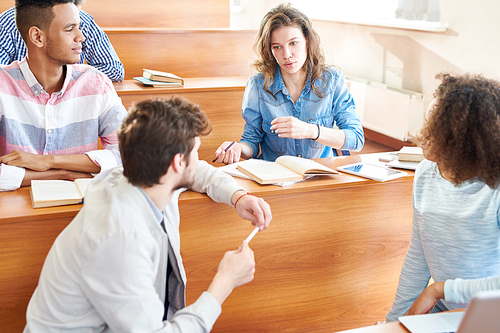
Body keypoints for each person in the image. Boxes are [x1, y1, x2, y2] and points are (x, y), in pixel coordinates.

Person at [23, 96, 273, 332]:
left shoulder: (146, 177)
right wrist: (225, 281)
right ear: (177, 163)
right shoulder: (119, 239)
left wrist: (239, 196)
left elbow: (199, 172)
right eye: (196, 151)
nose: (199, 158)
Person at [386, 73, 500, 322]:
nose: (422, 132)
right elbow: (418, 257)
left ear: (465, 138)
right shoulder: (426, 172)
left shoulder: (495, 189)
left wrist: (440, 289)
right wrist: (393, 322)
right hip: (445, 310)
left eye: (434, 124)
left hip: (490, 316)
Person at [0, 0, 127, 192]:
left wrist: (48, 161)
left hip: (82, 207)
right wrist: (61, 173)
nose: (81, 37)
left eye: (79, 27)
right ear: (37, 37)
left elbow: (131, 154)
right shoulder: (3, 85)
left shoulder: (96, 83)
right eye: (70, 29)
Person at [214, 3, 364, 164]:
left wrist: (311, 130)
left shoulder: (332, 80)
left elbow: (356, 139)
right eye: (277, 47)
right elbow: (251, 142)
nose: (287, 54)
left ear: (307, 41)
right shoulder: (258, 86)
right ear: (270, 51)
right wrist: (238, 148)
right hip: (275, 177)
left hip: (319, 175)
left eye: (293, 43)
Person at [0, 0, 125, 82]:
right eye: (69, 28)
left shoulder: (85, 21)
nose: (81, 37)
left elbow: (114, 69)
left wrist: (66, 77)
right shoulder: (7, 24)